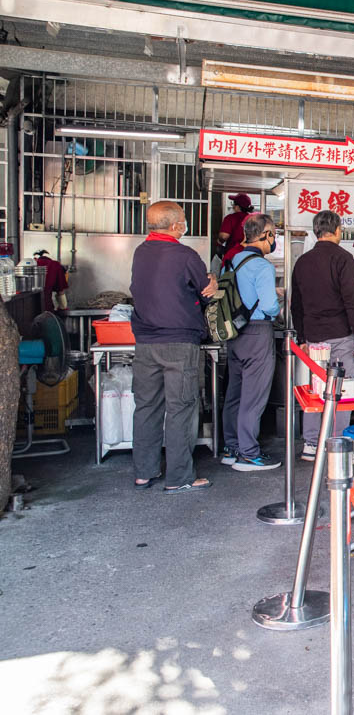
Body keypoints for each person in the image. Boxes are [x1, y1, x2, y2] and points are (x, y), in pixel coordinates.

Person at [129, 201, 217, 494]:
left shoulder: (141, 252)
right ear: (175, 225)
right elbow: (205, 294)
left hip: (144, 342)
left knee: (146, 406)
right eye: (183, 220)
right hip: (179, 342)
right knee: (181, 408)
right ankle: (179, 477)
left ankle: (144, 471)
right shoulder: (184, 255)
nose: (185, 224)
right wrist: (213, 283)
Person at [291, 210, 354, 462]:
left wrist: (303, 337)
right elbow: (352, 301)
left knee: (318, 390)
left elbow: (297, 304)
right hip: (339, 335)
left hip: (314, 337)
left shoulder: (303, 261)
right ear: (337, 230)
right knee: (343, 390)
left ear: (317, 231)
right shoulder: (342, 258)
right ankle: (339, 447)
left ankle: (312, 444)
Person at [220, 213, 282, 471]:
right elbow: (269, 306)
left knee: (234, 393)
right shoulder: (263, 266)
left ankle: (232, 448)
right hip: (257, 332)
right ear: (266, 235)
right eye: (274, 235)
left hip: (235, 333)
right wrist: (279, 301)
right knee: (254, 397)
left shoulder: (231, 261)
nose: (274, 239)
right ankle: (249, 453)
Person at [216, 193, 254, 265]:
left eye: (233, 204)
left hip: (233, 254)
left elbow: (224, 236)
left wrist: (219, 241)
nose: (233, 206)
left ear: (237, 206)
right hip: (250, 255)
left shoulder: (230, 218)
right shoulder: (253, 219)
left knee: (230, 274)